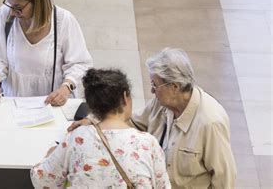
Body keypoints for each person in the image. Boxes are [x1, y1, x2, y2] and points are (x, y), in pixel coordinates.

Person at [69, 48, 237, 188]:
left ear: (175, 87)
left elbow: (224, 179)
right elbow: (131, 121)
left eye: (155, 85)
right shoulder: (162, 102)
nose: (151, 91)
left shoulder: (211, 122)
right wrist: (96, 120)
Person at [31, 68, 171, 188]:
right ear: (125, 97)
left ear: (91, 105)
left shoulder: (76, 138)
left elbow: (42, 181)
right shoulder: (149, 143)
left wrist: (50, 154)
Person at [0, 0, 93, 106]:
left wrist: (66, 87)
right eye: (10, 4)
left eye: (18, 7)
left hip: (53, 105)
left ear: (37, 2)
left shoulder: (63, 20)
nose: (13, 12)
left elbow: (80, 63)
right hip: (12, 104)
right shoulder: (5, 15)